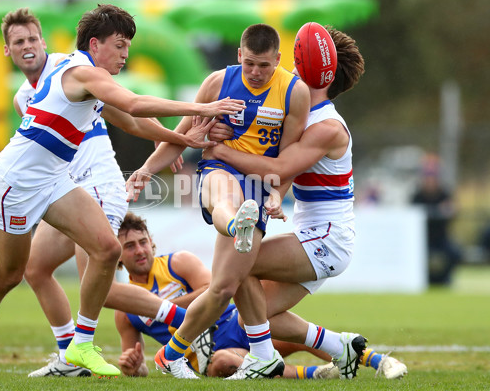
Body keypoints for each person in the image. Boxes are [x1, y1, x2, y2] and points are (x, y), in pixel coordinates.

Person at [0, 3, 246, 381]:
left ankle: (80, 344)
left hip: (54, 179)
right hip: (14, 184)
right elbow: (134, 102)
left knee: (107, 249)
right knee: (10, 274)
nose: (125, 54)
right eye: (119, 45)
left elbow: (133, 119)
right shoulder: (82, 71)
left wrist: (180, 138)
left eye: (128, 47)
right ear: (95, 44)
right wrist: (206, 106)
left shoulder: (77, 72)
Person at [0, 7, 186, 378]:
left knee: (99, 288)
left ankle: (192, 318)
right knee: (36, 269)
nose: (28, 46)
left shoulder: (72, 70)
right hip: (64, 191)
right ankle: (70, 356)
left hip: (96, 184)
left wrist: (168, 137)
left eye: (33, 38)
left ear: (45, 43)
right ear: (8, 51)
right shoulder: (23, 97)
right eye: (18, 42)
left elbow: (127, 110)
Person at [128, 23, 310, 379]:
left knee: (225, 287)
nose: (256, 73)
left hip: (260, 184)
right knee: (225, 195)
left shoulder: (294, 93)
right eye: (250, 64)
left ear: (278, 60)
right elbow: (182, 134)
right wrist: (147, 170)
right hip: (219, 167)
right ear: (239, 56)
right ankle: (235, 223)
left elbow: (287, 160)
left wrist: (278, 196)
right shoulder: (217, 82)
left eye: (265, 66)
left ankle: (172, 354)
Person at [200, 25, 376, 379]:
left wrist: (218, 150)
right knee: (254, 314)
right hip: (312, 234)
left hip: (326, 239)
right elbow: (257, 140)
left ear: (313, 70)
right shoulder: (296, 111)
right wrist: (215, 129)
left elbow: (279, 166)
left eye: (299, 63)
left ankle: (261, 362)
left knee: (239, 265)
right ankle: (339, 348)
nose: (291, 70)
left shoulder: (326, 126)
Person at [115, 212, 407, 380]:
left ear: (152, 242)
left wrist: (159, 307)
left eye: (143, 242)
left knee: (286, 330)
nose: (140, 250)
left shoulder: (177, 262)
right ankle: (316, 374)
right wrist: (133, 365)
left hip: (234, 324)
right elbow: (139, 364)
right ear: (117, 255)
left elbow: (216, 289)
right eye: (129, 246)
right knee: (223, 365)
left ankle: (378, 360)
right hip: (208, 355)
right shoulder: (124, 309)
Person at [411, 153, 461, 285]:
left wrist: (450, 210)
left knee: (455, 253)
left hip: (441, 238)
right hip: (422, 239)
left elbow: (453, 212)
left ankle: (445, 279)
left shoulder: (444, 194)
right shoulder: (417, 196)